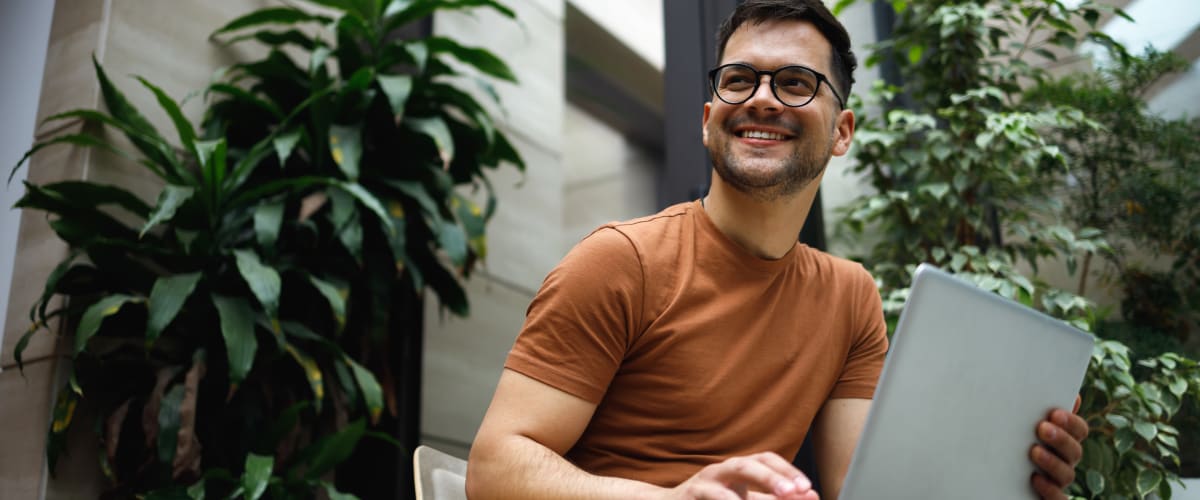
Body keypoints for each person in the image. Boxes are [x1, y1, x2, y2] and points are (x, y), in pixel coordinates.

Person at [465, 0, 1089, 498]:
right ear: (709, 117)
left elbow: (858, 490)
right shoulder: (621, 261)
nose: (761, 97)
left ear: (843, 131)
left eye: (795, 82)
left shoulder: (851, 295)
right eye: (740, 80)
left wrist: (1010, 474)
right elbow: (492, 469)